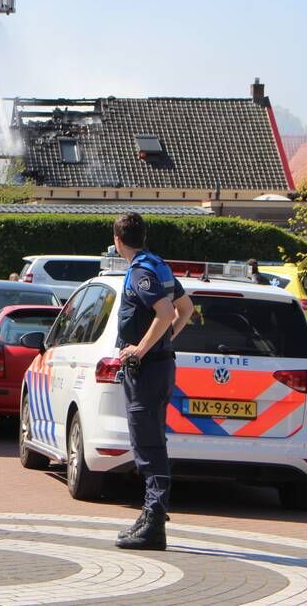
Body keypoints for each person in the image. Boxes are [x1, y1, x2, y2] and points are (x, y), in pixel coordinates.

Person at [112, 213, 194, 550]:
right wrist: (163, 342)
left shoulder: (141, 271)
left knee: (148, 447)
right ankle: (149, 515)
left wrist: (140, 350)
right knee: (150, 442)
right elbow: (185, 310)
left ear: (118, 240)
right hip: (160, 367)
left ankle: (154, 523)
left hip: (147, 372)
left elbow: (165, 312)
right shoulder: (158, 264)